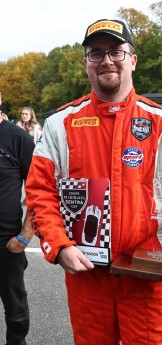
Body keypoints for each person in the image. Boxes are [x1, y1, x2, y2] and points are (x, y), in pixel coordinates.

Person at [25, 19, 162, 345]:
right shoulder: (59, 125)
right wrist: (58, 245)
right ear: (86, 63)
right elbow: (39, 192)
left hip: (146, 276)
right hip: (87, 276)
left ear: (132, 59)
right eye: (96, 53)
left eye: (116, 51)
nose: (107, 60)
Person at [0, 112, 35, 345]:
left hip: (5, 242)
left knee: (16, 310)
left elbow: (40, 190)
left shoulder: (18, 138)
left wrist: (24, 236)